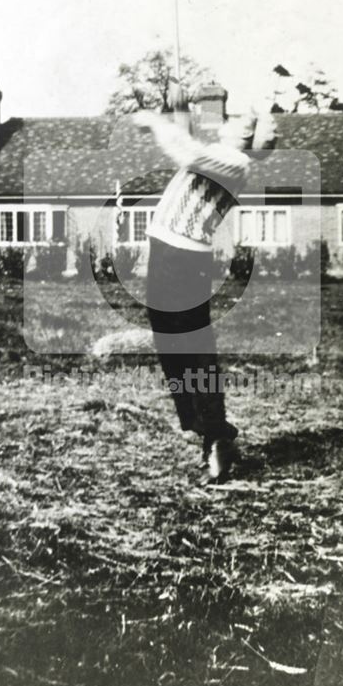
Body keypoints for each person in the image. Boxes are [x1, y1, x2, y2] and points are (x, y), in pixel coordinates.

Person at [133, 102, 276, 482]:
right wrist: (178, 112)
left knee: (193, 353)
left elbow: (188, 151)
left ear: (243, 135)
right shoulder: (221, 155)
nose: (226, 123)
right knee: (173, 351)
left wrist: (157, 122)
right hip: (168, 255)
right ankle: (210, 431)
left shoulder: (234, 161)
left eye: (235, 121)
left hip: (182, 262)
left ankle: (217, 436)